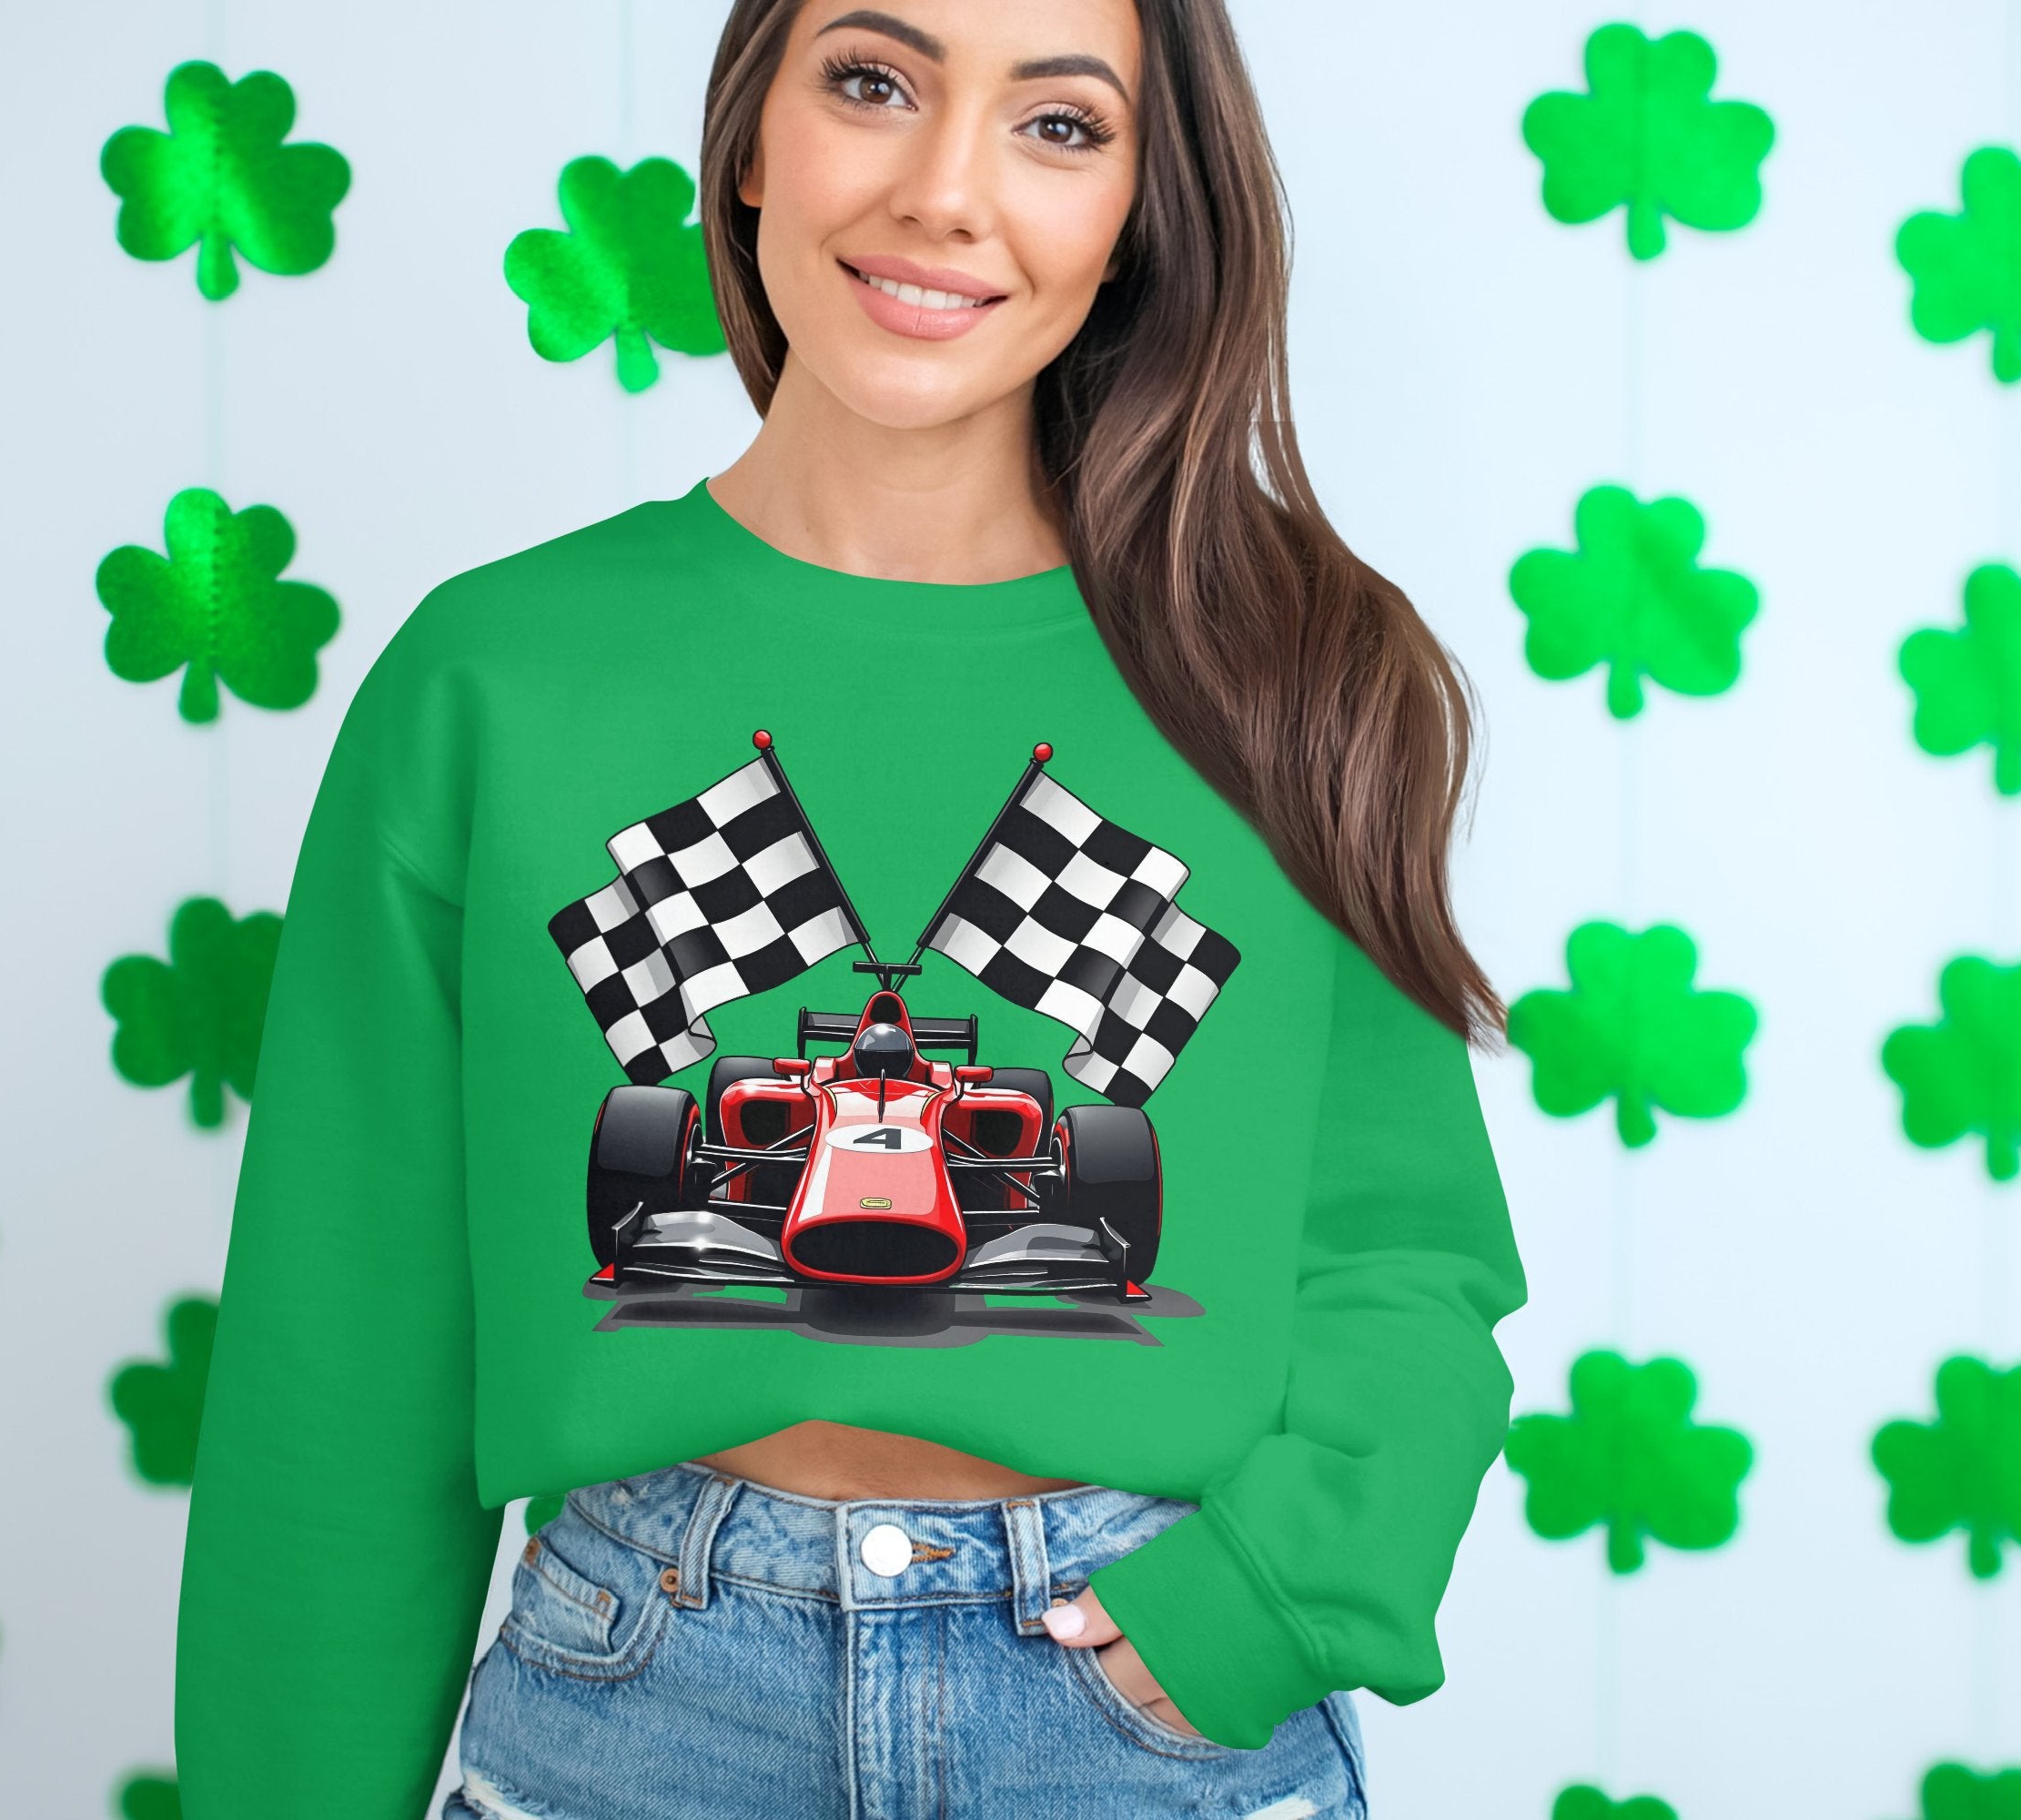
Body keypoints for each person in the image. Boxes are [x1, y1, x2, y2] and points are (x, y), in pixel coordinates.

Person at [174, 2, 1528, 1816]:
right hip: (635, 1685)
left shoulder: (1282, 672)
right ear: (751, 138)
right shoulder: (498, 679)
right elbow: (345, 1352)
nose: (945, 190)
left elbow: (1402, 1254)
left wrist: (1268, 1603)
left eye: (1058, 126)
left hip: (1134, 1706)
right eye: (873, 84)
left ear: (1139, 204)